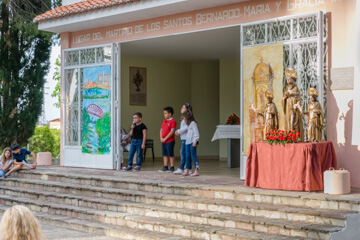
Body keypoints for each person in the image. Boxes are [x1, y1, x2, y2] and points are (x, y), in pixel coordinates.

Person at [282, 67, 304, 141]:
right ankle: (289, 136)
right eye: (287, 78)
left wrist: (297, 104)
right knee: (288, 120)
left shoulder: (296, 88)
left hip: (294, 106)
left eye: (289, 78)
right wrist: (284, 98)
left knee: (294, 120)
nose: (288, 79)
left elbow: (298, 97)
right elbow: (284, 97)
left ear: (293, 79)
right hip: (288, 105)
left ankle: (295, 136)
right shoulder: (287, 88)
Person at [174, 103, 192, 174]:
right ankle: (187, 168)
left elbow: (187, 127)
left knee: (184, 153)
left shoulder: (188, 118)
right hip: (184, 138)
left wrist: (178, 131)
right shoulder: (184, 118)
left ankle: (183, 167)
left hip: (186, 138)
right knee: (184, 153)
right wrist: (179, 132)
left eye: (184, 108)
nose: (182, 109)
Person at [182, 111, 200, 177]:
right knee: (187, 156)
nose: (183, 119)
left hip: (192, 142)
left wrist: (195, 141)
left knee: (193, 156)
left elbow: (196, 133)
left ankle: (196, 170)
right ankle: (187, 170)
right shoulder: (188, 124)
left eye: (184, 118)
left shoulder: (193, 123)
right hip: (187, 142)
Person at [159, 106, 176, 172]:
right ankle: (165, 166)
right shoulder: (164, 121)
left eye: (165, 113)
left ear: (170, 114)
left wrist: (165, 138)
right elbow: (161, 130)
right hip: (163, 141)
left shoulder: (173, 121)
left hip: (170, 141)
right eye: (164, 113)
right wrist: (161, 138)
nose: (164, 115)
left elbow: (172, 131)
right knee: (164, 154)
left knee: (170, 153)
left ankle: (172, 167)